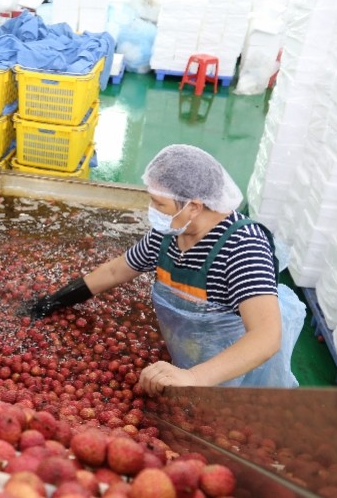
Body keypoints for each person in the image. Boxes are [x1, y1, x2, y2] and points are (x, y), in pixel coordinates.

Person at [29, 144, 304, 394]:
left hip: (236, 370)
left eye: (159, 203)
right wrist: (54, 301)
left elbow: (266, 338)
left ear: (194, 206)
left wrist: (195, 376)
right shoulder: (169, 232)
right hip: (189, 358)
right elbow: (116, 271)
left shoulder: (243, 248)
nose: (152, 210)